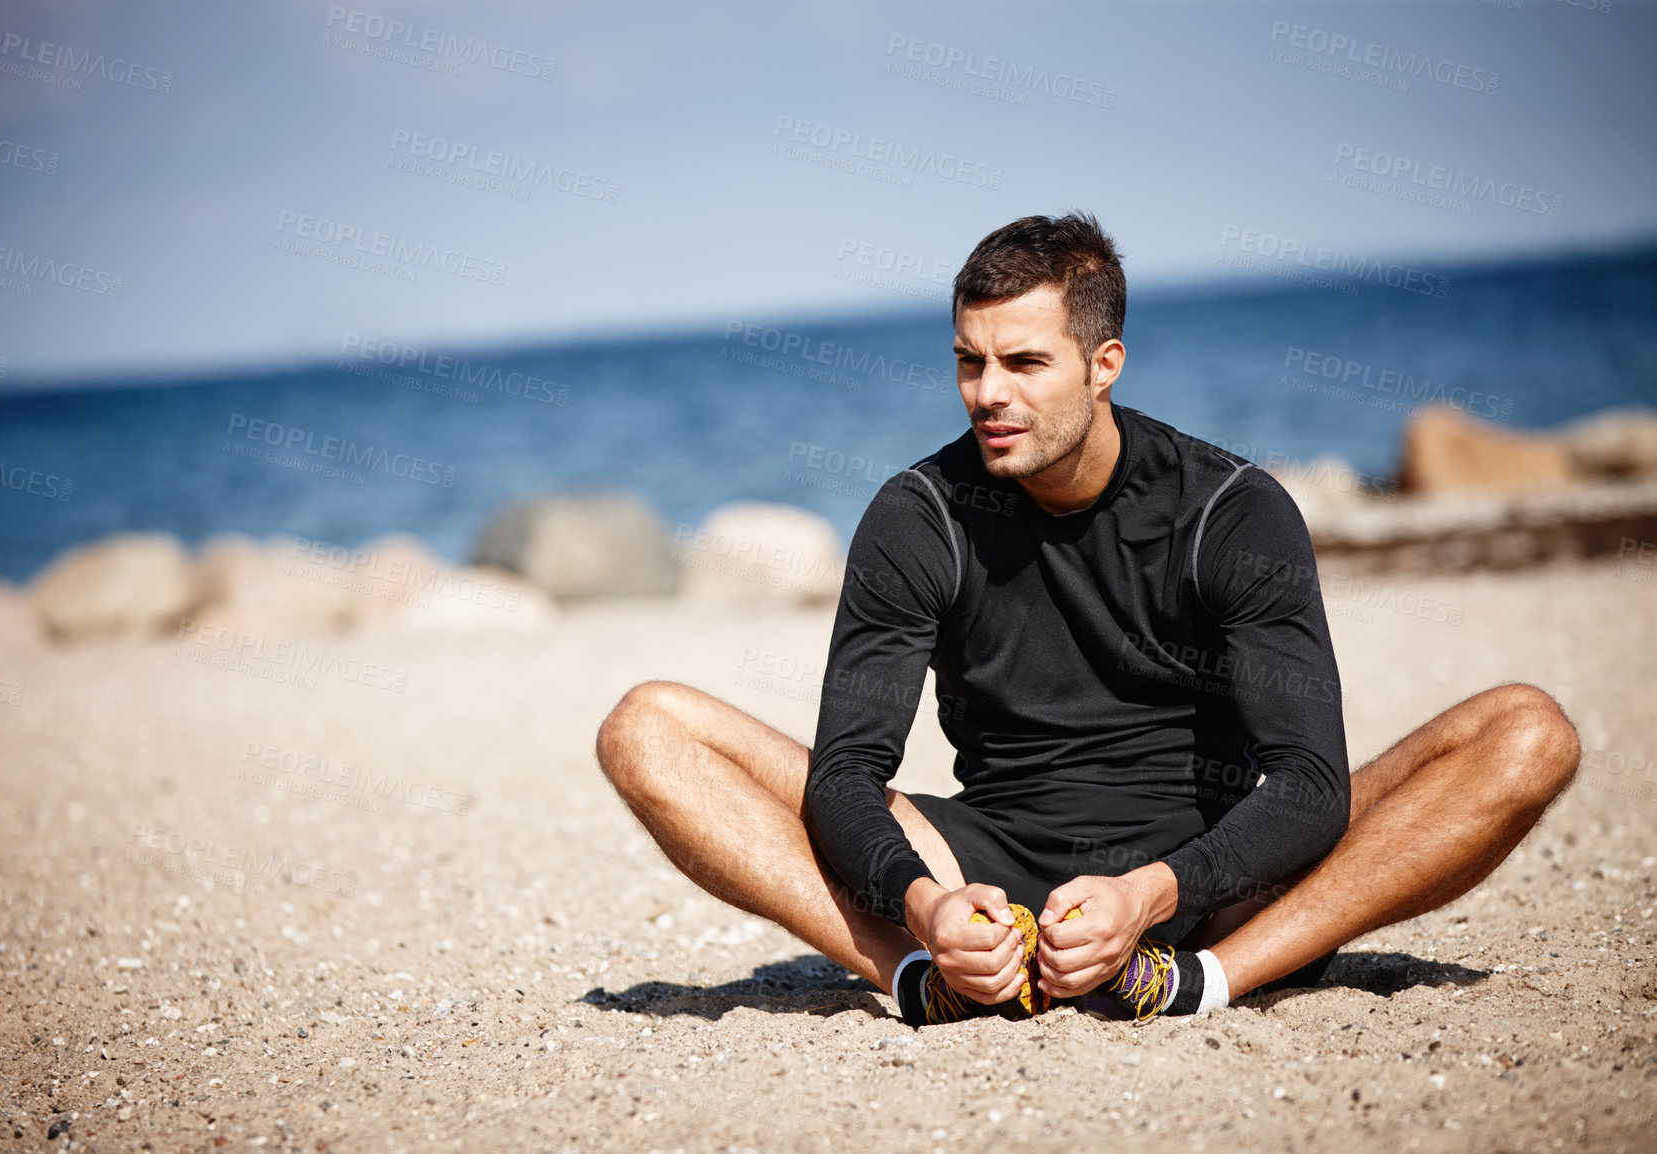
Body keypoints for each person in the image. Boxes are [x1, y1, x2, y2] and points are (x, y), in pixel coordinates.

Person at [595, 212, 1580, 1026]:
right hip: (988, 866)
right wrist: (927, 904)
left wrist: (1150, 894)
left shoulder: (1231, 510)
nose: (990, 393)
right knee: (647, 726)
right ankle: (915, 976)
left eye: (1024, 362)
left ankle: (1206, 979)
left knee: (1527, 732)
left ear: (1103, 363)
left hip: (1211, 872)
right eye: (968, 362)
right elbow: (849, 772)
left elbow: (1313, 783)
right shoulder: (919, 514)